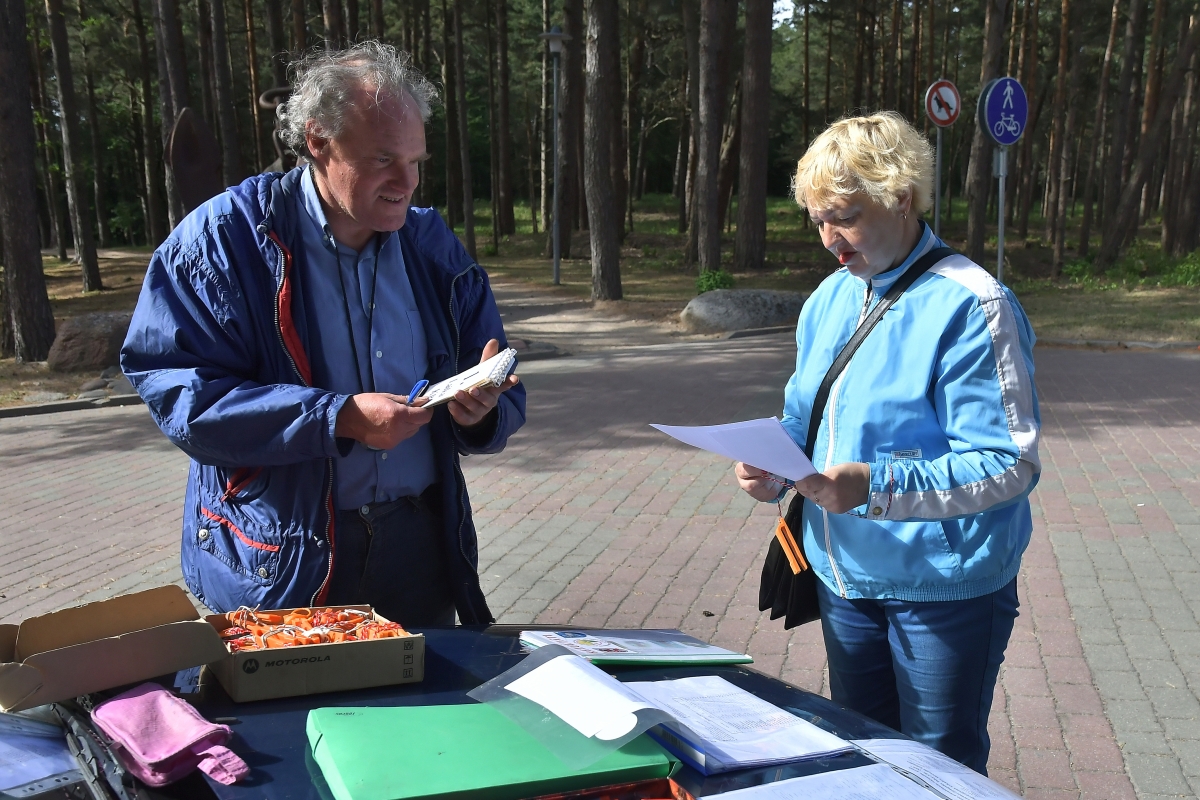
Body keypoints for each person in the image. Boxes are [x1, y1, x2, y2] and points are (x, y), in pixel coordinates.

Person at [121, 42, 526, 627]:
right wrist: (338, 419)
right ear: (318, 140)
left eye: (416, 160)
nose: (406, 182)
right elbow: (184, 396)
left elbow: (502, 386)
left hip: (421, 552)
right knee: (299, 692)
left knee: (427, 690)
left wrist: (481, 412)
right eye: (383, 158)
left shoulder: (432, 246)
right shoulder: (221, 240)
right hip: (283, 557)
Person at [734, 112, 1040, 773]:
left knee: (937, 770)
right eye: (817, 220)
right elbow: (803, 420)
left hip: (943, 589)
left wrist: (874, 487)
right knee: (868, 759)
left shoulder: (973, 305)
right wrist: (773, 468)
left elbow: (1007, 463)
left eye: (844, 218)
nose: (830, 241)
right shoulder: (828, 299)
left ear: (901, 198)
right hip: (844, 581)